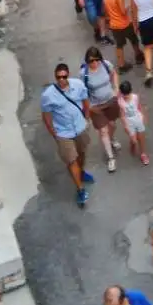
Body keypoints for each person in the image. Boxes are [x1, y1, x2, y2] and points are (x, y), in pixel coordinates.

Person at [40, 63, 92, 207]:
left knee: (81, 154)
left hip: (80, 127)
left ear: (68, 75)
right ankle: (80, 189)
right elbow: (46, 115)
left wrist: (86, 118)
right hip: (63, 132)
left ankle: (81, 172)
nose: (62, 80)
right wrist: (53, 132)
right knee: (71, 160)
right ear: (55, 77)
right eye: (58, 77)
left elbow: (86, 102)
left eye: (64, 76)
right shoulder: (48, 95)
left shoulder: (78, 85)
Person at [80, 47, 122, 173]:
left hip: (110, 100)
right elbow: (82, 91)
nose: (94, 63)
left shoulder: (105, 64)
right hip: (96, 106)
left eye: (96, 60)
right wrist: (89, 107)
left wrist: (116, 89)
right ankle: (111, 158)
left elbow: (114, 73)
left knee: (112, 125)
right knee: (103, 131)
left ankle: (112, 138)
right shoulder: (84, 73)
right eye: (91, 61)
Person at [104, 0, 143, 72]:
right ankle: (138, 56)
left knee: (119, 45)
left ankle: (121, 65)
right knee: (134, 40)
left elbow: (106, 11)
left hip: (114, 25)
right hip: (124, 24)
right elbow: (122, 11)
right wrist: (129, 6)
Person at [118, 80, 149, 165]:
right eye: (124, 95)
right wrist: (125, 125)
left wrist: (143, 116)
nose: (126, 96)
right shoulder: (120, 101)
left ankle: (143, 154)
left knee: (141, 137)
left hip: (137, 118)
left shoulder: (135, 97)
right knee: (134, 139)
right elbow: (122, 114)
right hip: (129, 122)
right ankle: (132, 144)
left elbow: (139, 107)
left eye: (127, 94)